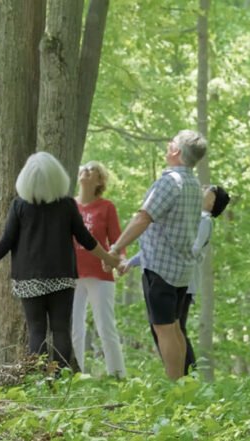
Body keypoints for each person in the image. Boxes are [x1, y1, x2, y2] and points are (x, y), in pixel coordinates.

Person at [0, 152, 122, 370]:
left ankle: (39, 378)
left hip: (28, 278)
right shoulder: (67, 205)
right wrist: (109, 257)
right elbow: (87, 240)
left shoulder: (19, 206)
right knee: (61, 329)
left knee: (36, 330)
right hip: (62, 276)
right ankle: (61, 379)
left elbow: (6, 241)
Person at [108, 130, 207, 380]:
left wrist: (115, 247)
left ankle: (175, 387)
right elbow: (164, 230)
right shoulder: (194, 184)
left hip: (162, 270)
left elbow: (143, 218)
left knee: (164, 328)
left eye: (170, 142)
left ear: (176, 151)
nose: (167, 145)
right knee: (174, 327)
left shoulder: (170, 182)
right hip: (180, 269)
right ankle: (183, 385)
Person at [124, 184, 230, 375]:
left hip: (183, 281)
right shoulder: (189, 217)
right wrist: (131, 263)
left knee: (174, 328)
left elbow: (193, 248)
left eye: (208, 189)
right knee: (169, 329)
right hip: (174, 276)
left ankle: (185, 375)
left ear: (212, 202)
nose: (202, 188)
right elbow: (158, 248)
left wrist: (171, 254)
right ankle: (179, 374)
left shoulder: (204, 220)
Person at [71, 161, 127, 377]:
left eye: (92, 170)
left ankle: (118, 375)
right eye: (83, 168)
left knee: (105, 326)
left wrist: (121, 261)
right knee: (74, 328)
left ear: (99, 181)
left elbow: (117, 240)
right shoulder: (69, 205)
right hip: (72, 273)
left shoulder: (106, 207)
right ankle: (75, 375)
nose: (85, 170)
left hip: (100, 273)